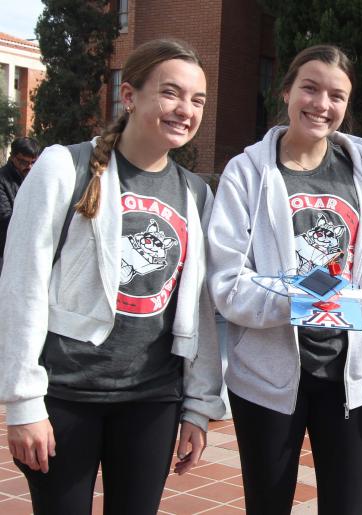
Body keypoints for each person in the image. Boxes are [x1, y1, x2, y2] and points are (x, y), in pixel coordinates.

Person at [0, 39, 224, 515]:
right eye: (171, 93)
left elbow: (200, 309)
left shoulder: (196, 194)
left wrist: (199, 406)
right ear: (129, 96)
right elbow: (21, 286)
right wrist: (22, 404)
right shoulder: (65, 167)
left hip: (152, 402)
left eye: (197, 99)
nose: (185, 109)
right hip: (66, 396)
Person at [207, 44, 362, 515]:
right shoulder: (247, 174)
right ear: (286, 92)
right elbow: (226, 285)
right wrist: (311, 294)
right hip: (266, 379)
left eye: (336, 95)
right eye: (310, 88)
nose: (322, 104)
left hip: (351, 380)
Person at [0, 136, 41, 264]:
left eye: (33, 162)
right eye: (23, 162)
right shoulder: (2, 180)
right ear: (12, 157)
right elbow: (6, 218)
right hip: (5, 251)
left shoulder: (36, 178)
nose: (29, 167)